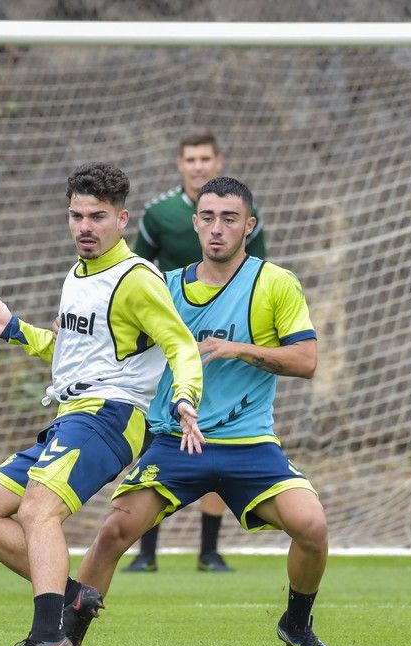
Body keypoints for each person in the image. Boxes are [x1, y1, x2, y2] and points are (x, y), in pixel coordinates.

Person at [69, 176, 341, 646]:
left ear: (249, 226)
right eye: (209, 217)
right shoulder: (163, 288)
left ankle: (297, 624)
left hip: (249, 444)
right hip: (174, 441)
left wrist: (237, 348)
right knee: (112, 533)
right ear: (195, 223)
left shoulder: (275, 282)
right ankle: (66, 644)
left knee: (313, 527)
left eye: (230, 219)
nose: (218, 228)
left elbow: (306, 361)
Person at [0, 162, 204, 646]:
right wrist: (13, 330)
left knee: (36, 511)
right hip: (73, 412)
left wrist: (185, 398)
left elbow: (181, 344)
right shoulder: (77, 274)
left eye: (97, 216)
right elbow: (72, 354)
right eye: (76, 216)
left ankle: (50, 637)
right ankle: (70, 596)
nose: (85, 227)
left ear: (122, 219)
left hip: (111, 414)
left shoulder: (136, 279)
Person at [128, 130, 267, 574]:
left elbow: (258, 275)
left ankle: (209, 550)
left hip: (220, 345)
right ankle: (145, 552)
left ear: (217, 160)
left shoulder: (244, 213)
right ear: (180, 164)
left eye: (206, 157)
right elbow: (137, 272)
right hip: (168, 346)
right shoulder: (161, 214)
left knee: (217, 437)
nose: (198, 165)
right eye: (190, 158)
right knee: (159, 440)